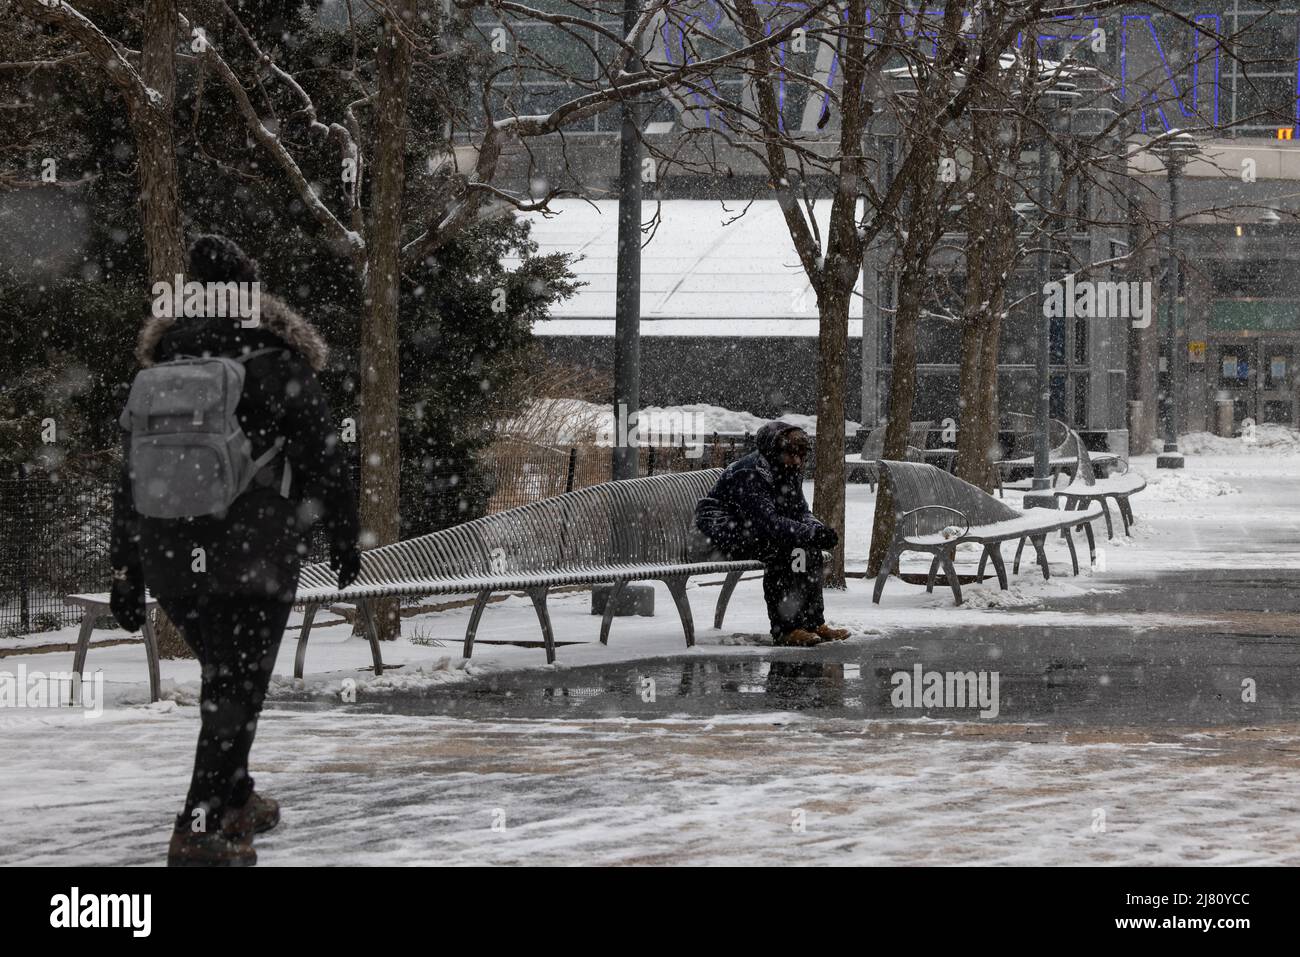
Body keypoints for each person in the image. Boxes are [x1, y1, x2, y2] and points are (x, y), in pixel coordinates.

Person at [109, 235, 360, 866]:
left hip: (170, 558)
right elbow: (324, 457)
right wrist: (344, 532)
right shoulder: (277, 359)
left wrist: (126, 566)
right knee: (236, 690)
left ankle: (238, 797)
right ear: (252, 289)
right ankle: (199, 829)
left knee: (229, 681)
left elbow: (130, 472)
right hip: (252, 554)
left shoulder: (158, 367)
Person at [694, 421, 851, 646]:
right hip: (717, 536)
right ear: (773, 451)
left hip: (748, 531)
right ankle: (786, 629)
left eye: (801, 456)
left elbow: (800, 512)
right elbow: (768, 523)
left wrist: (817, 531)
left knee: (808, 552)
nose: (797, 461)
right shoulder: (751, 472)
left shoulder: (788, 469)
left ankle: (812, 623)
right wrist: (808, 534)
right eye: (791, 455)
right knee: (783, 552)